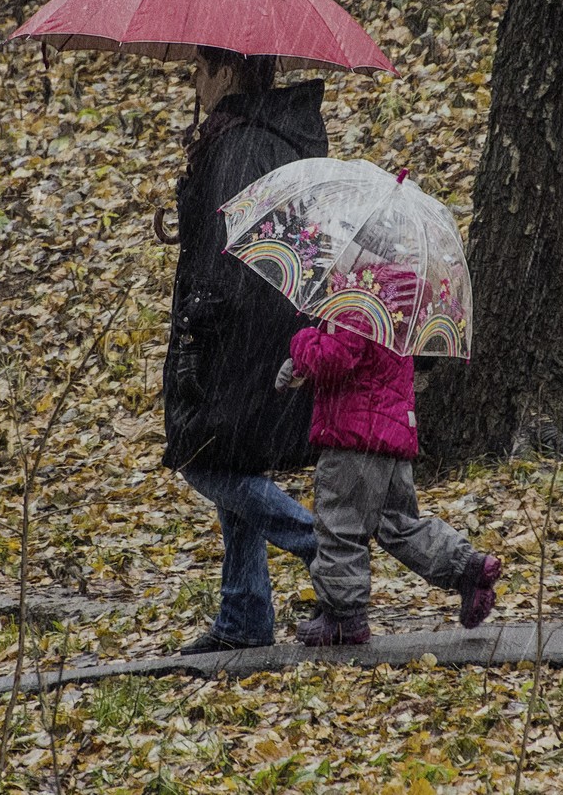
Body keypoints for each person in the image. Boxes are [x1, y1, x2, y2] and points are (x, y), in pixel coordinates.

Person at [162, 46, 327, 655]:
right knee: (233, 459)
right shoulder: (271, 133)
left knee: (201, 456)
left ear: (225, 72)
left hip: (237, 328)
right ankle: (245, 613)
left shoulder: (239, 143)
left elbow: (228, 250)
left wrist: (201, 317)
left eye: (200, 70)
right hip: (272, 321)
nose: (195, 83)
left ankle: (319, 545)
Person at [277, 265, 503, 646]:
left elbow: (338, 358)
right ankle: (466, 567)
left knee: (339, 526)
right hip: (390, 435)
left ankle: (343, 617)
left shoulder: (359, 290)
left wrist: (302, 342)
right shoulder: (402, 292)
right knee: (399, 524)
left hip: (354, 437)